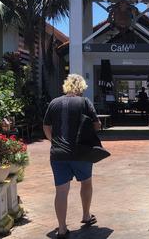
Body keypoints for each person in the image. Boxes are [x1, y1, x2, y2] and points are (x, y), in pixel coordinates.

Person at [43, 74, 102, 238]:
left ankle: (62, 229)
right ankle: (86, 215)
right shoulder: (84, 102)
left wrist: (53, 141)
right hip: (81, 152)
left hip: (58, 154)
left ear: (66, 86)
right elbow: (97, 125)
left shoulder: (54, 103)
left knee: (61, 191)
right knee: (86, 183)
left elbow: (46, 126)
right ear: (81, 87)